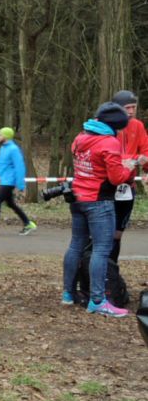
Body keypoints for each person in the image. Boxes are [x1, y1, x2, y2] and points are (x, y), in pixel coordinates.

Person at [61, 103, 135, 317]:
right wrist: (129, 169)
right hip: (99, 202)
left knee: (76, 245)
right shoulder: (109, 142)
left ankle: (68, 293)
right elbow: (116, 178)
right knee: (102, 249)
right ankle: (97, 301)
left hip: (77, 198)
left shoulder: (80, 137)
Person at [110, 90, 148, 263]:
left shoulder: (137, 126)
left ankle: (112, 270)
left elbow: (146, 150)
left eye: (134, 107)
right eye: (128, 108)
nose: (131, 111)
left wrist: (146, 168)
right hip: (107, 185)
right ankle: (93, 271)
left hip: (127, 185)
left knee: (118, 233)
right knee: (102, 233)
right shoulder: (106, 125)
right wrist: (132, 159)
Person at [0, 127, 35, 236]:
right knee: (11, 204)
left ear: (6, 136)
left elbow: (20, 167)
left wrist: (20, 184)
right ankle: (28, 224)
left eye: (0, 135)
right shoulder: (3, 148)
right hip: (4, 181)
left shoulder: (13, 149)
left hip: (9, 182)